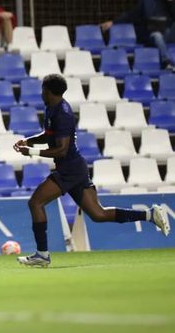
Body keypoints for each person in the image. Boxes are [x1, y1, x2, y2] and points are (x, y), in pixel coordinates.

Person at [14, 74, 170, 267]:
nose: (41, 93)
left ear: (49, 91)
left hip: (69, 169)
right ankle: (149, 214)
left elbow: (61, 150)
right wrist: (28, 141)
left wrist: (31, 152)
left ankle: (42, 255)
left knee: (36, 202)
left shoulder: (62, 113)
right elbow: (49, 135)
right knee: (98, 215)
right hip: (75, 168)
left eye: (43, 89)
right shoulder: (52, 108)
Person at [101, 0, 175, 70]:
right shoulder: (147, 0)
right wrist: (113, 22)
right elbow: (131, 14)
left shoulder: (171, 3)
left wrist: (170, 1)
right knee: (157, 35)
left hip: (168, 34)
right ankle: (166, 62)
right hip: (151, 35)